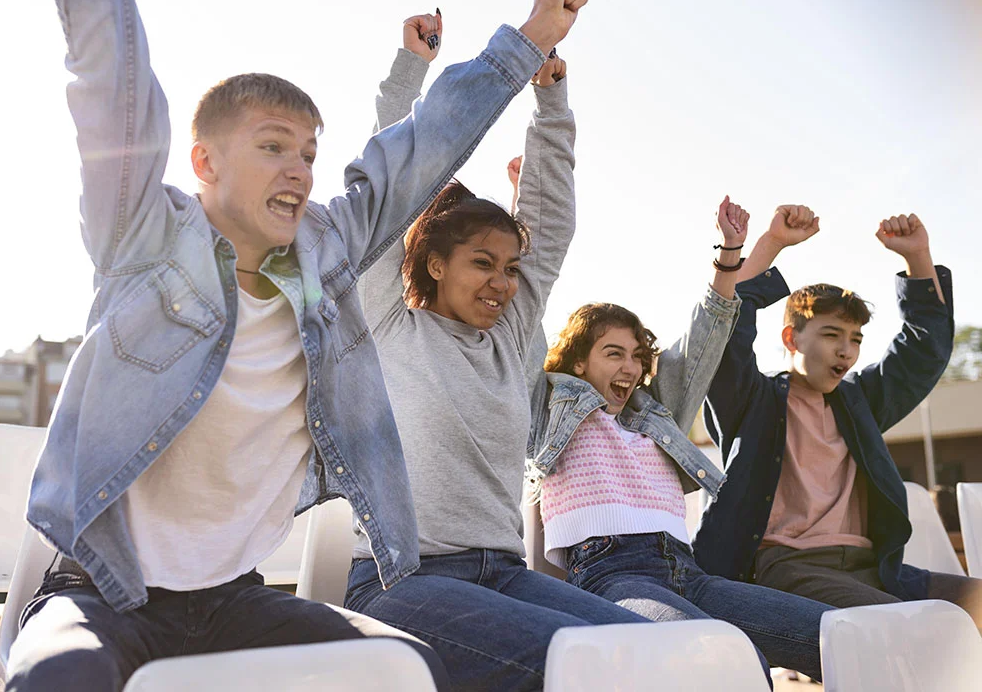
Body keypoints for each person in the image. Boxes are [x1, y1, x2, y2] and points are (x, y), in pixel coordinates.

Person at [5, 0, 588, 689]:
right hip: (102, 592)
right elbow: (111, 87)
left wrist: (531, 37)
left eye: (310, 153)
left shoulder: (324, 262)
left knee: (404, 668)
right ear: (204, 163)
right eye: (275, 147)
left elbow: (425, 145)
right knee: (58, 678)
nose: (301, 170)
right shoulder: (145, 241)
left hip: (233, 600)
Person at [346, 43, 650, 691]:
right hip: (402, 581)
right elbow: (385, 186)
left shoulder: (509, 336)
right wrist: (406, 76)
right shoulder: (388, 323)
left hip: (505, 572)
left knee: (654, 651)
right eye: (483, 263)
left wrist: (552, 98)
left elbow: (550, 219)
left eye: (510, 268)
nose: (502, 283)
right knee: (586, 666)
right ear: (434, 263)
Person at [528, 199, 833, 682]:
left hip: (689, 571)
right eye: (613, 353)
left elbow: (708, 327)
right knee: (727, 659)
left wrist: (732, 249)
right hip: (611, 575)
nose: (630, 367)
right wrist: (528, 206)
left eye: (636, 355)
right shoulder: (549, 406)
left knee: (836, 635)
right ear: (580, 362)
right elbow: (520, 319)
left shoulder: (658, 410)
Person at [695, 206, 982, 628]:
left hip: (874, 569)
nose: (846, 350)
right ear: (791, 338)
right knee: (912, 626)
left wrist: (918, 257)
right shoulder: (752, 399)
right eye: (831, 335)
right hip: (788, 567)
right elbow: (727, 329)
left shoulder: (858, 401)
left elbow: (924, 352)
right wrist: (771, 243)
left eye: (855, 339)